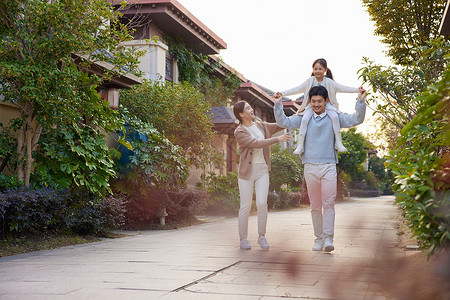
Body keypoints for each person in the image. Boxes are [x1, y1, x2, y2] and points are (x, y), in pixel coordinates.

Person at [273, 85, 367, 252]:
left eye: (319, 101)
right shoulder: (303, 118)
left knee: (329, 203)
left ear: (326, 101)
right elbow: (283, 122)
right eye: (313, 101)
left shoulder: (334, 117)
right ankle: (319, 239)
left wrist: (360, 100)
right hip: (310, 167)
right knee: (315, 206)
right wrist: (278, 104)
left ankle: (329, 239)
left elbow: (356, 119)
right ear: (310, 101)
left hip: (328, 165)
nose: (316, 105)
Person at [233, 101, 291, 250]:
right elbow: (256, 143)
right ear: (241, 114)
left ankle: (261, 236)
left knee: (261, 203)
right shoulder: (239, 131)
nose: (251, 109)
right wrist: (277, 139)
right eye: (248, 108)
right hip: (247, 173)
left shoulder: (261, 125)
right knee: (245, 206)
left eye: (250, 107)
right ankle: (243, 238)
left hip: (262, 171)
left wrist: (302, 111)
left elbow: (280, 124)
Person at [276, 58, 360, 155]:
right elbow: (297, 89)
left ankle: (338, 142)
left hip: (327, 105)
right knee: (304, 119)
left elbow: (342, 88)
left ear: (325, 70)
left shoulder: (329, 82)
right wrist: (282, 93)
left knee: (335, 117)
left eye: (320, 69)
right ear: (312, 70)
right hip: (311, 106)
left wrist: (356, 90)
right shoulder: (310, 81)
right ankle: (300, 145)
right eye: (315, 69)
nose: (317, 71)